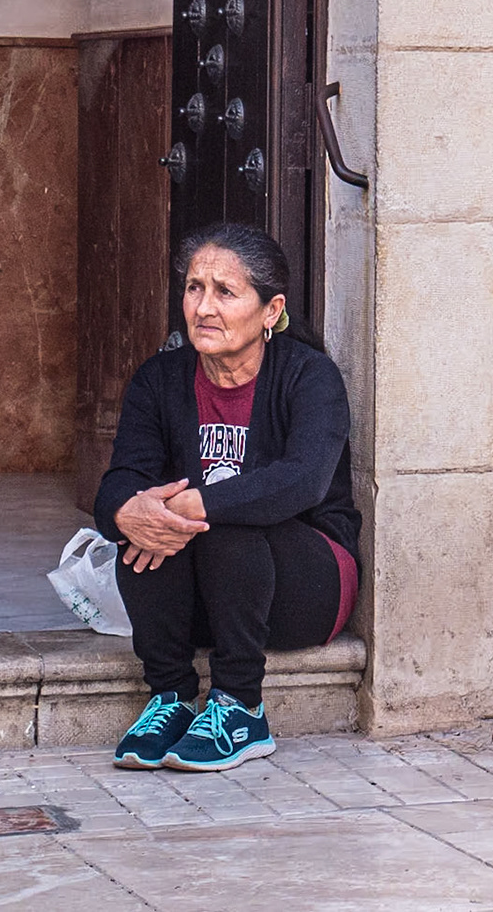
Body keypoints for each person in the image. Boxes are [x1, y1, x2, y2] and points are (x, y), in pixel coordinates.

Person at [95, 223, 360, 771]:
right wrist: (129, 510)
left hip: (307, 586)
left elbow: (303, 481)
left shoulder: (310, 377)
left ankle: (242, 706)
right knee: (145, 529)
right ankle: (170, 696)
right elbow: (119, 482)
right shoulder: (159, 379)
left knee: (225, 521)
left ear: (271, 310)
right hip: (209, 599)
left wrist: (197, 505)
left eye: (225, 292)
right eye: (194, 288)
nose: (204, 307)